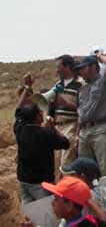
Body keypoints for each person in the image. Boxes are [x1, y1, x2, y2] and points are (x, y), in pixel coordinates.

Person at [14, 74, 70, 204]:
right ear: (38, 117)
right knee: (47, 215)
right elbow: (66, 143)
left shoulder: (19, 127)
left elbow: (17, 109)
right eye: (40, 113)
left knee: (31, 214)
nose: (42, 114)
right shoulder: (46, 134)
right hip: (42, 184)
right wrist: (53, 128)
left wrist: (27, 86)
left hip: (23, 181)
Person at [76, 54, 106, 176]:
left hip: (100, 129)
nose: (80, 71)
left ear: (93, 67)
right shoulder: (82, 89)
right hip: (84, 132)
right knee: (84, 171)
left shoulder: (104, 82)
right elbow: (81, 113)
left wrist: (98, 56)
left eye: (83, 68)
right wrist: (78, 134)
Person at [53, 54, 84, 169]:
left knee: (66, 163)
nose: (57, 70)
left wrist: (66, 104)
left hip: (71, 125)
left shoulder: (80, 84)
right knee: (55, 163)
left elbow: (84, 108)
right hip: (57, 126)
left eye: (58, 67)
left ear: (67, 67)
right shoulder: (57, 85)